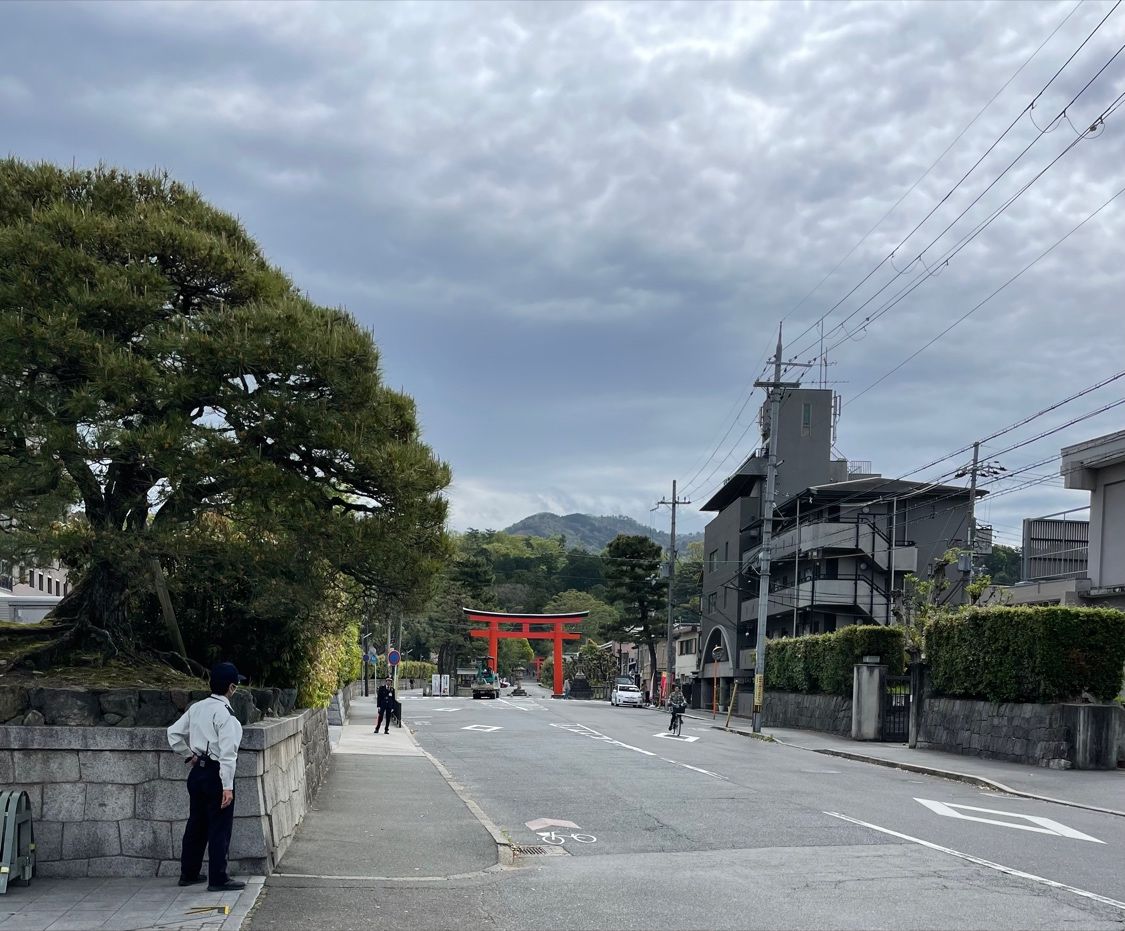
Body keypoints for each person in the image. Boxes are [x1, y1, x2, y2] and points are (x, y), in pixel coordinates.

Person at [167, 662, 247, 892]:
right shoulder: (226, 715)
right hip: (216, 774)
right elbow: (228, 755)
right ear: (231, 688)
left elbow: (173, 733)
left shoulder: (197, 707)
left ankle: (189, 873)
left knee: (196, 824)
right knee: (219, 827)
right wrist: (228, 787)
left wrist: (188, 755)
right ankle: (218, 878)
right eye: (236, 686)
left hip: (198, 771)